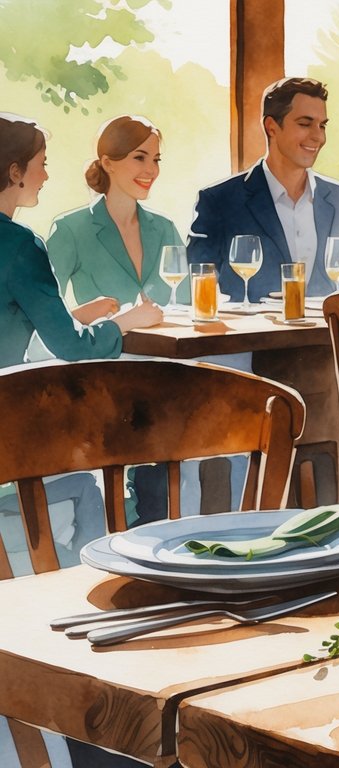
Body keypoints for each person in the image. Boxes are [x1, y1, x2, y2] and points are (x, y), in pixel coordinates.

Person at [0, 113, 159, 575]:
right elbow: (71, 348)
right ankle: (92, 593)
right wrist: (125, 322)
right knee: (93, 484)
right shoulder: (20, 245)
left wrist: (76, 314)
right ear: (15, 172)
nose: (46, 175)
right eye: (41, 164)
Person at [187, 77, 339, 301]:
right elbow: (194, 288)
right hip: (253, 335)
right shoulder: (219, 201)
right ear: (271, 127)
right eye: (305, 123)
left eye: (322, 125)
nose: (318, 136)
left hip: (328, 336)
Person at [47, 115, 182, 308]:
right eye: (139, 158)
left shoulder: (165, 228)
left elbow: (186, 303)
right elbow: (44, 312)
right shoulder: (70, 229)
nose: (152, 170)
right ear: (108, 163)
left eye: (156, 160)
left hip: (166, 338)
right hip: (106, 338)